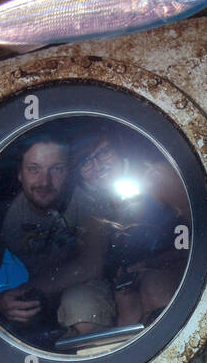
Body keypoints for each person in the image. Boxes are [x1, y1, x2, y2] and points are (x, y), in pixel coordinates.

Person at [0, 134, 115, 339]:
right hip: (38, 293)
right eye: (34, 169)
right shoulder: (2, 215)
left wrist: (29, 289)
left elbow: (91, 265)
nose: (45, 181)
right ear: (20, 174)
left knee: (81, 305)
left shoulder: (87, 204)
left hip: (86, 285)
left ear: (68, 172)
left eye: (56, 169)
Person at [69, 128, 188, 328]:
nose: (98, 166)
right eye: (86, 162)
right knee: (87, 303)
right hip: (119, 281)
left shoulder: (155, 177)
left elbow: (203, 237)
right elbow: (88, 264)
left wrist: (150, 264)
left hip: (166, 269)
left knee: (154, 287)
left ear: (119, 148)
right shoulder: (81, 204)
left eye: (104, 152)